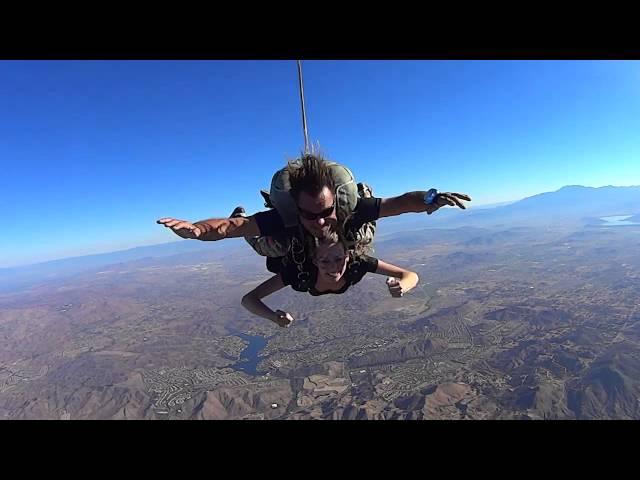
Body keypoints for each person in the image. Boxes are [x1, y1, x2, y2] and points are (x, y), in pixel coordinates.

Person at [157, 153, 471, 253]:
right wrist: (198, 230)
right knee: (269, 244)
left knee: (358, 237)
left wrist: (431, 199)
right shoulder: (285, 219)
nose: (320, 221)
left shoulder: (351, 208)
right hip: (285, 238)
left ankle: (361, 195)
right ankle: (268, 208)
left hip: (347, 226)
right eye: (310, 213)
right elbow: (230, 227)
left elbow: (400, 202)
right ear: (296, 208)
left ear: (337, 202)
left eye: (325, 212)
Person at [239, 229, 420, 328]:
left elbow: (410, 276)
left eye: (338, 259)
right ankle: (243, 224)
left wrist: (402, 286)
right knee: (268, 250)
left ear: (348, 256)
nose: (333, 267)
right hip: (291, 245)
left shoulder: (358, 263)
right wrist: (273, 317)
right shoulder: (299, 272)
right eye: (324, 260)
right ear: (314, 260)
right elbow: (248, 299)